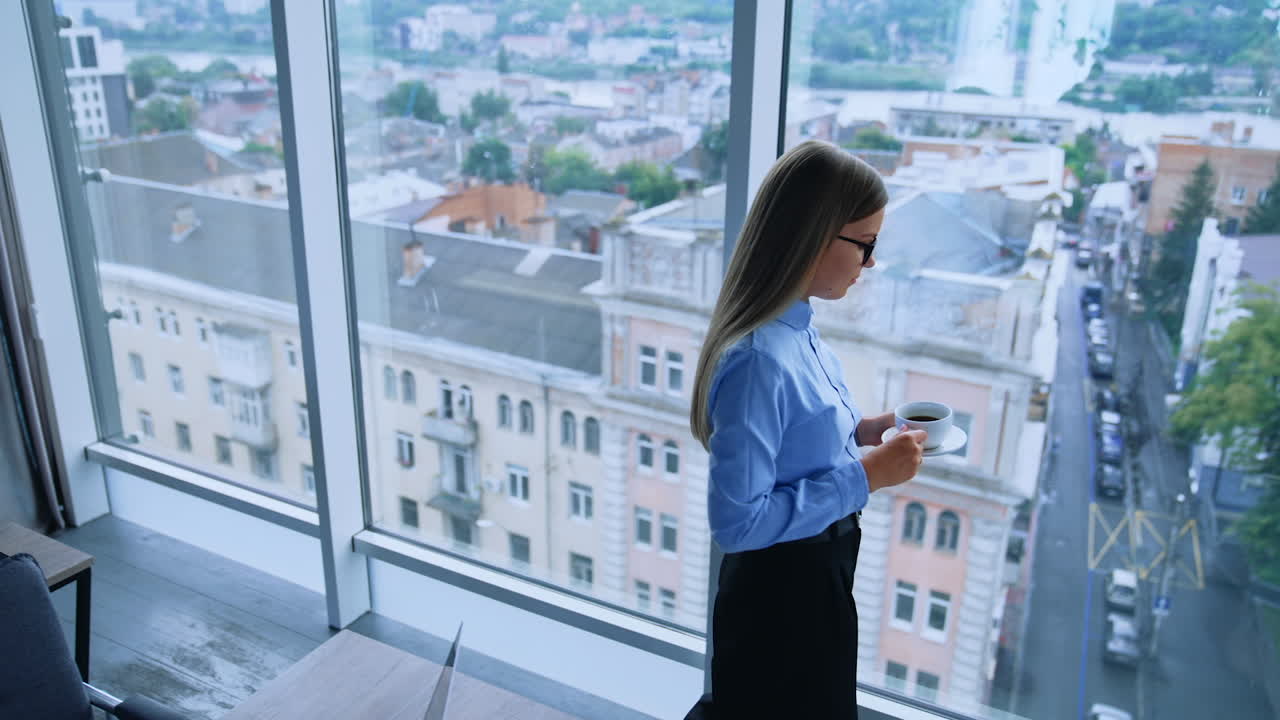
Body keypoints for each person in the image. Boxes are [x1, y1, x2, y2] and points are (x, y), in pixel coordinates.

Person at [685, 141, 927, 719]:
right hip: (780, 599)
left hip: (818, 578)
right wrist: (865, 477)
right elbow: (738, 525)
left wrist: (868, 431)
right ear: (815, 237)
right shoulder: (758, 360)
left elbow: (798, 439)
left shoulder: (797, 331)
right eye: (866, 243)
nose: (870, 262)